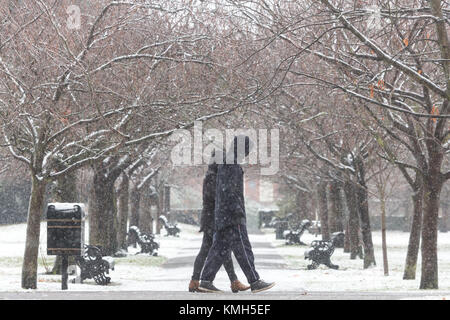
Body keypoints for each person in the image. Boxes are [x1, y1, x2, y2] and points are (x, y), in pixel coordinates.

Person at [198, 135, 275, 293]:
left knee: (219, 248)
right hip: (232, 215)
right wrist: (237, 211)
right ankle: (254, 280)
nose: (247, 154)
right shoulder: (231, 163)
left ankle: (205, 280)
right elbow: (229, 191)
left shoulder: (226, 162)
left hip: (223, 214)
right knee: (243, 248)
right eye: (247, 150)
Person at [189, 152, 250, 293]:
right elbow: (216, 198)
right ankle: (201, 281)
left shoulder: (213, 175)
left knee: (218, 249)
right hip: (213, 218)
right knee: (216, 250)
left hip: (213, 217)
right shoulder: (214, 177)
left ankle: (197, 281)